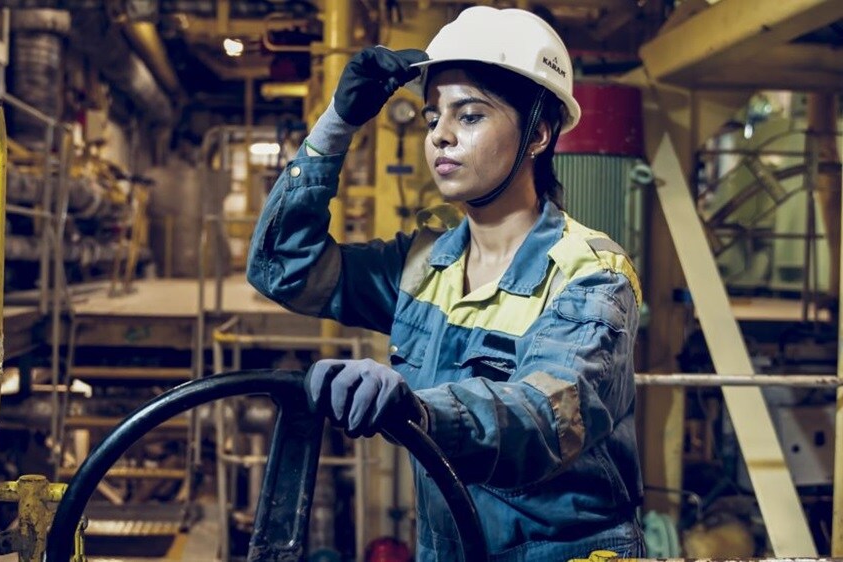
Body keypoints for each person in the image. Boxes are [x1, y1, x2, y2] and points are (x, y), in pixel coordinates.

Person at [246, 6, 644, 561]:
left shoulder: (591, 273)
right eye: (433, 118)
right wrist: (338, 122)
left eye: (471, 115)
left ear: (539, 134)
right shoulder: (424, 263)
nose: (441, 137)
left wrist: (420, 411)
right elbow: (283, 268)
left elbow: (545, 419)